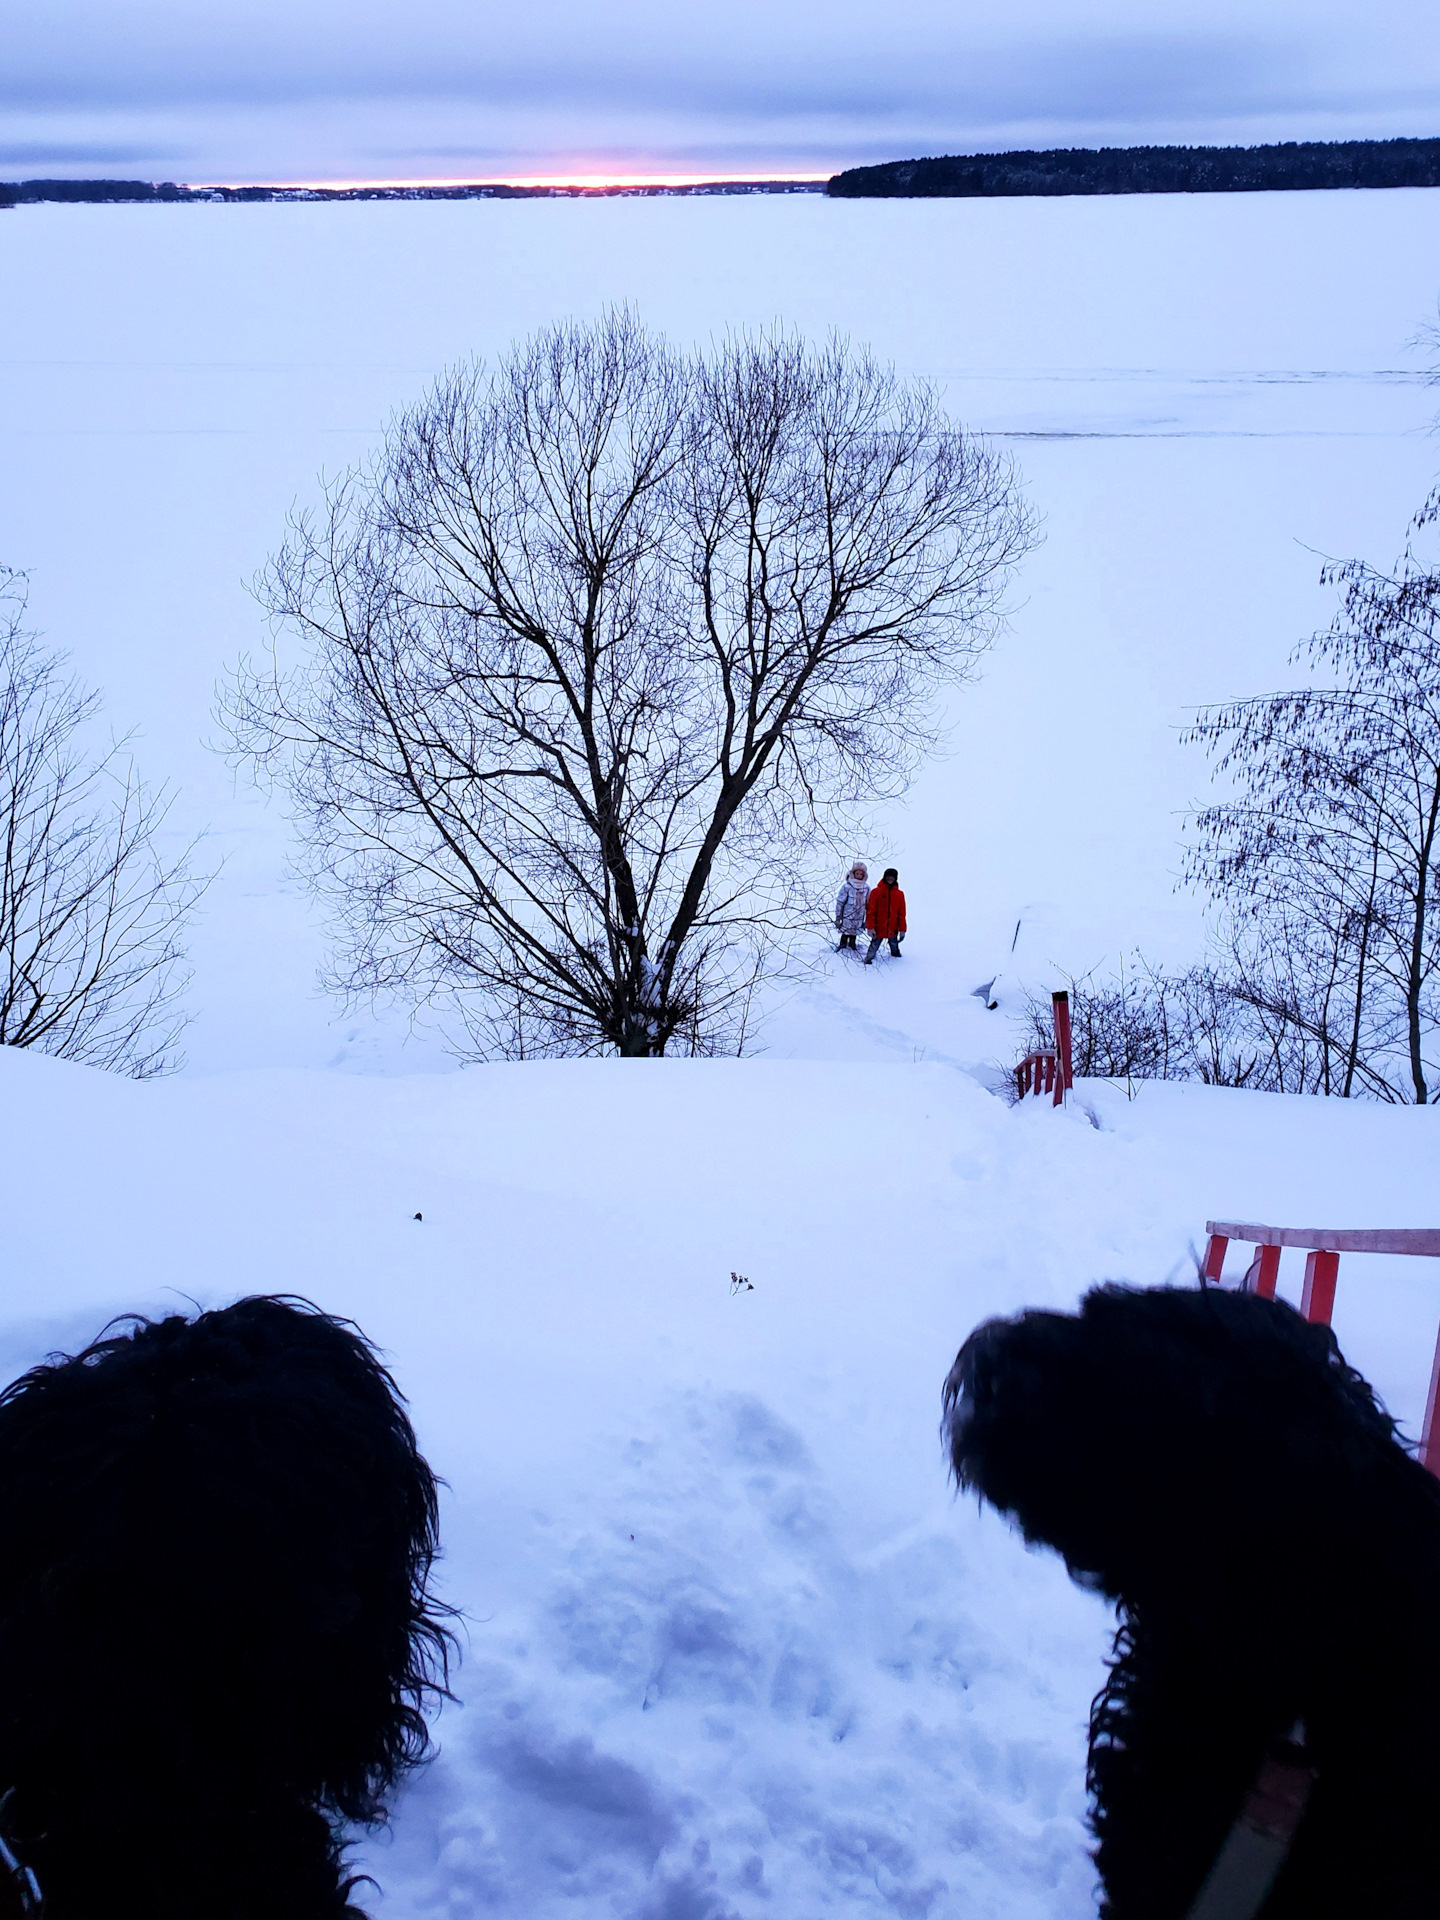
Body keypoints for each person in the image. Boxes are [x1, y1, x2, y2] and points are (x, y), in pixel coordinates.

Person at [864, 867, 906, 963]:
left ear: (895, 878)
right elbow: (871, 911)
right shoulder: (876, 892)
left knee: (894, 944)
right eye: (888, 877)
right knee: (874, 945)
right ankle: (868, 959)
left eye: (892, 877)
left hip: (893, 928)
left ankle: (897, 958)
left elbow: (902, 913)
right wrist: (870, 927)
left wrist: (902, 929)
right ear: (884, 877)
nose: (890, 879)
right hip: (878, 927)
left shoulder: (899, 894)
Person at [834, 861, 870, 950]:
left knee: (854, 932)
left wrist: (867, 920)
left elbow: (868, 904)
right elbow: (840, 902)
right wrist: (838, 916)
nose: (859, 875)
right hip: (847, 915)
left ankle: (852, 945)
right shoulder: (847, 887)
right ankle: (842, 945)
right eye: (857, 873)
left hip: (859, 916)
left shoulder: (866, 888)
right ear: (853, 874)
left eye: (861, 874)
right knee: (845, 931)